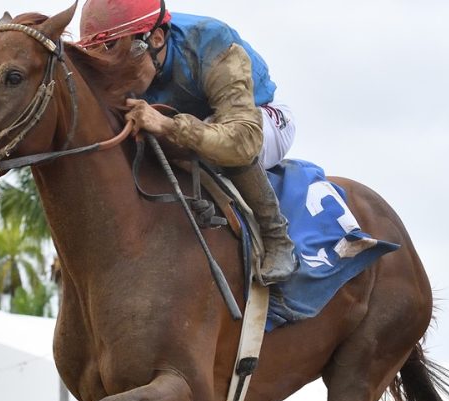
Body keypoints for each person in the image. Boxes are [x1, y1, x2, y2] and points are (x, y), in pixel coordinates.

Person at [78, 0, 298, 284]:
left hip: (260, 120)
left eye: (124, 61)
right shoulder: (137, 45)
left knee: (215, 140)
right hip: (200, 126)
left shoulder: (212, 42)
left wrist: (169, 126)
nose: (117, 79)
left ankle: (276, 236)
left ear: (156, 38)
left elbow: (243, 141)